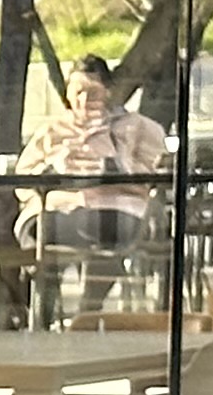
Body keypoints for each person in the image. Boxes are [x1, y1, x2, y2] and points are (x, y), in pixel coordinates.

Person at [14, 54, 170, 308]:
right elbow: (22, 182)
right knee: (40, 241)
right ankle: (45, 313)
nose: (85, 100)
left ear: (108, 92)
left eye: (92, 92)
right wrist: (54, 167)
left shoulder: (140, 128)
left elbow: (155, 177)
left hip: (115, 213)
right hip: (57, 212)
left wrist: (112, 159)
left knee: (104, 238)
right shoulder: (50, 131)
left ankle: (89, 309)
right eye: (77, 92)